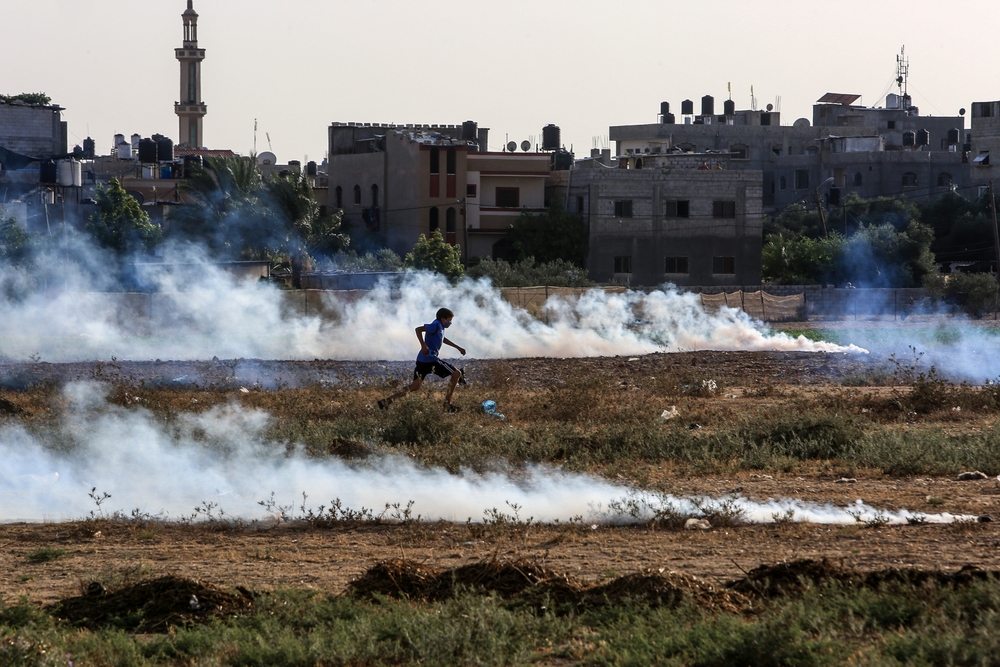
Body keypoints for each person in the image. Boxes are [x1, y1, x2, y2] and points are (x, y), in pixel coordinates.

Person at [378, 307, 466, 412]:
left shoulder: (440, 327)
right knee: (456, 373)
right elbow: (418, 329)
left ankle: (386, 401)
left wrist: (458, 347)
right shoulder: (436, 325)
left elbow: (442, 339)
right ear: (443, 319)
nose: (450, 323)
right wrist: (423, 345)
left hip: (422, 360)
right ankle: (447, 405)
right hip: (431, 360)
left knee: (415, 386)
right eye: (449, 320)